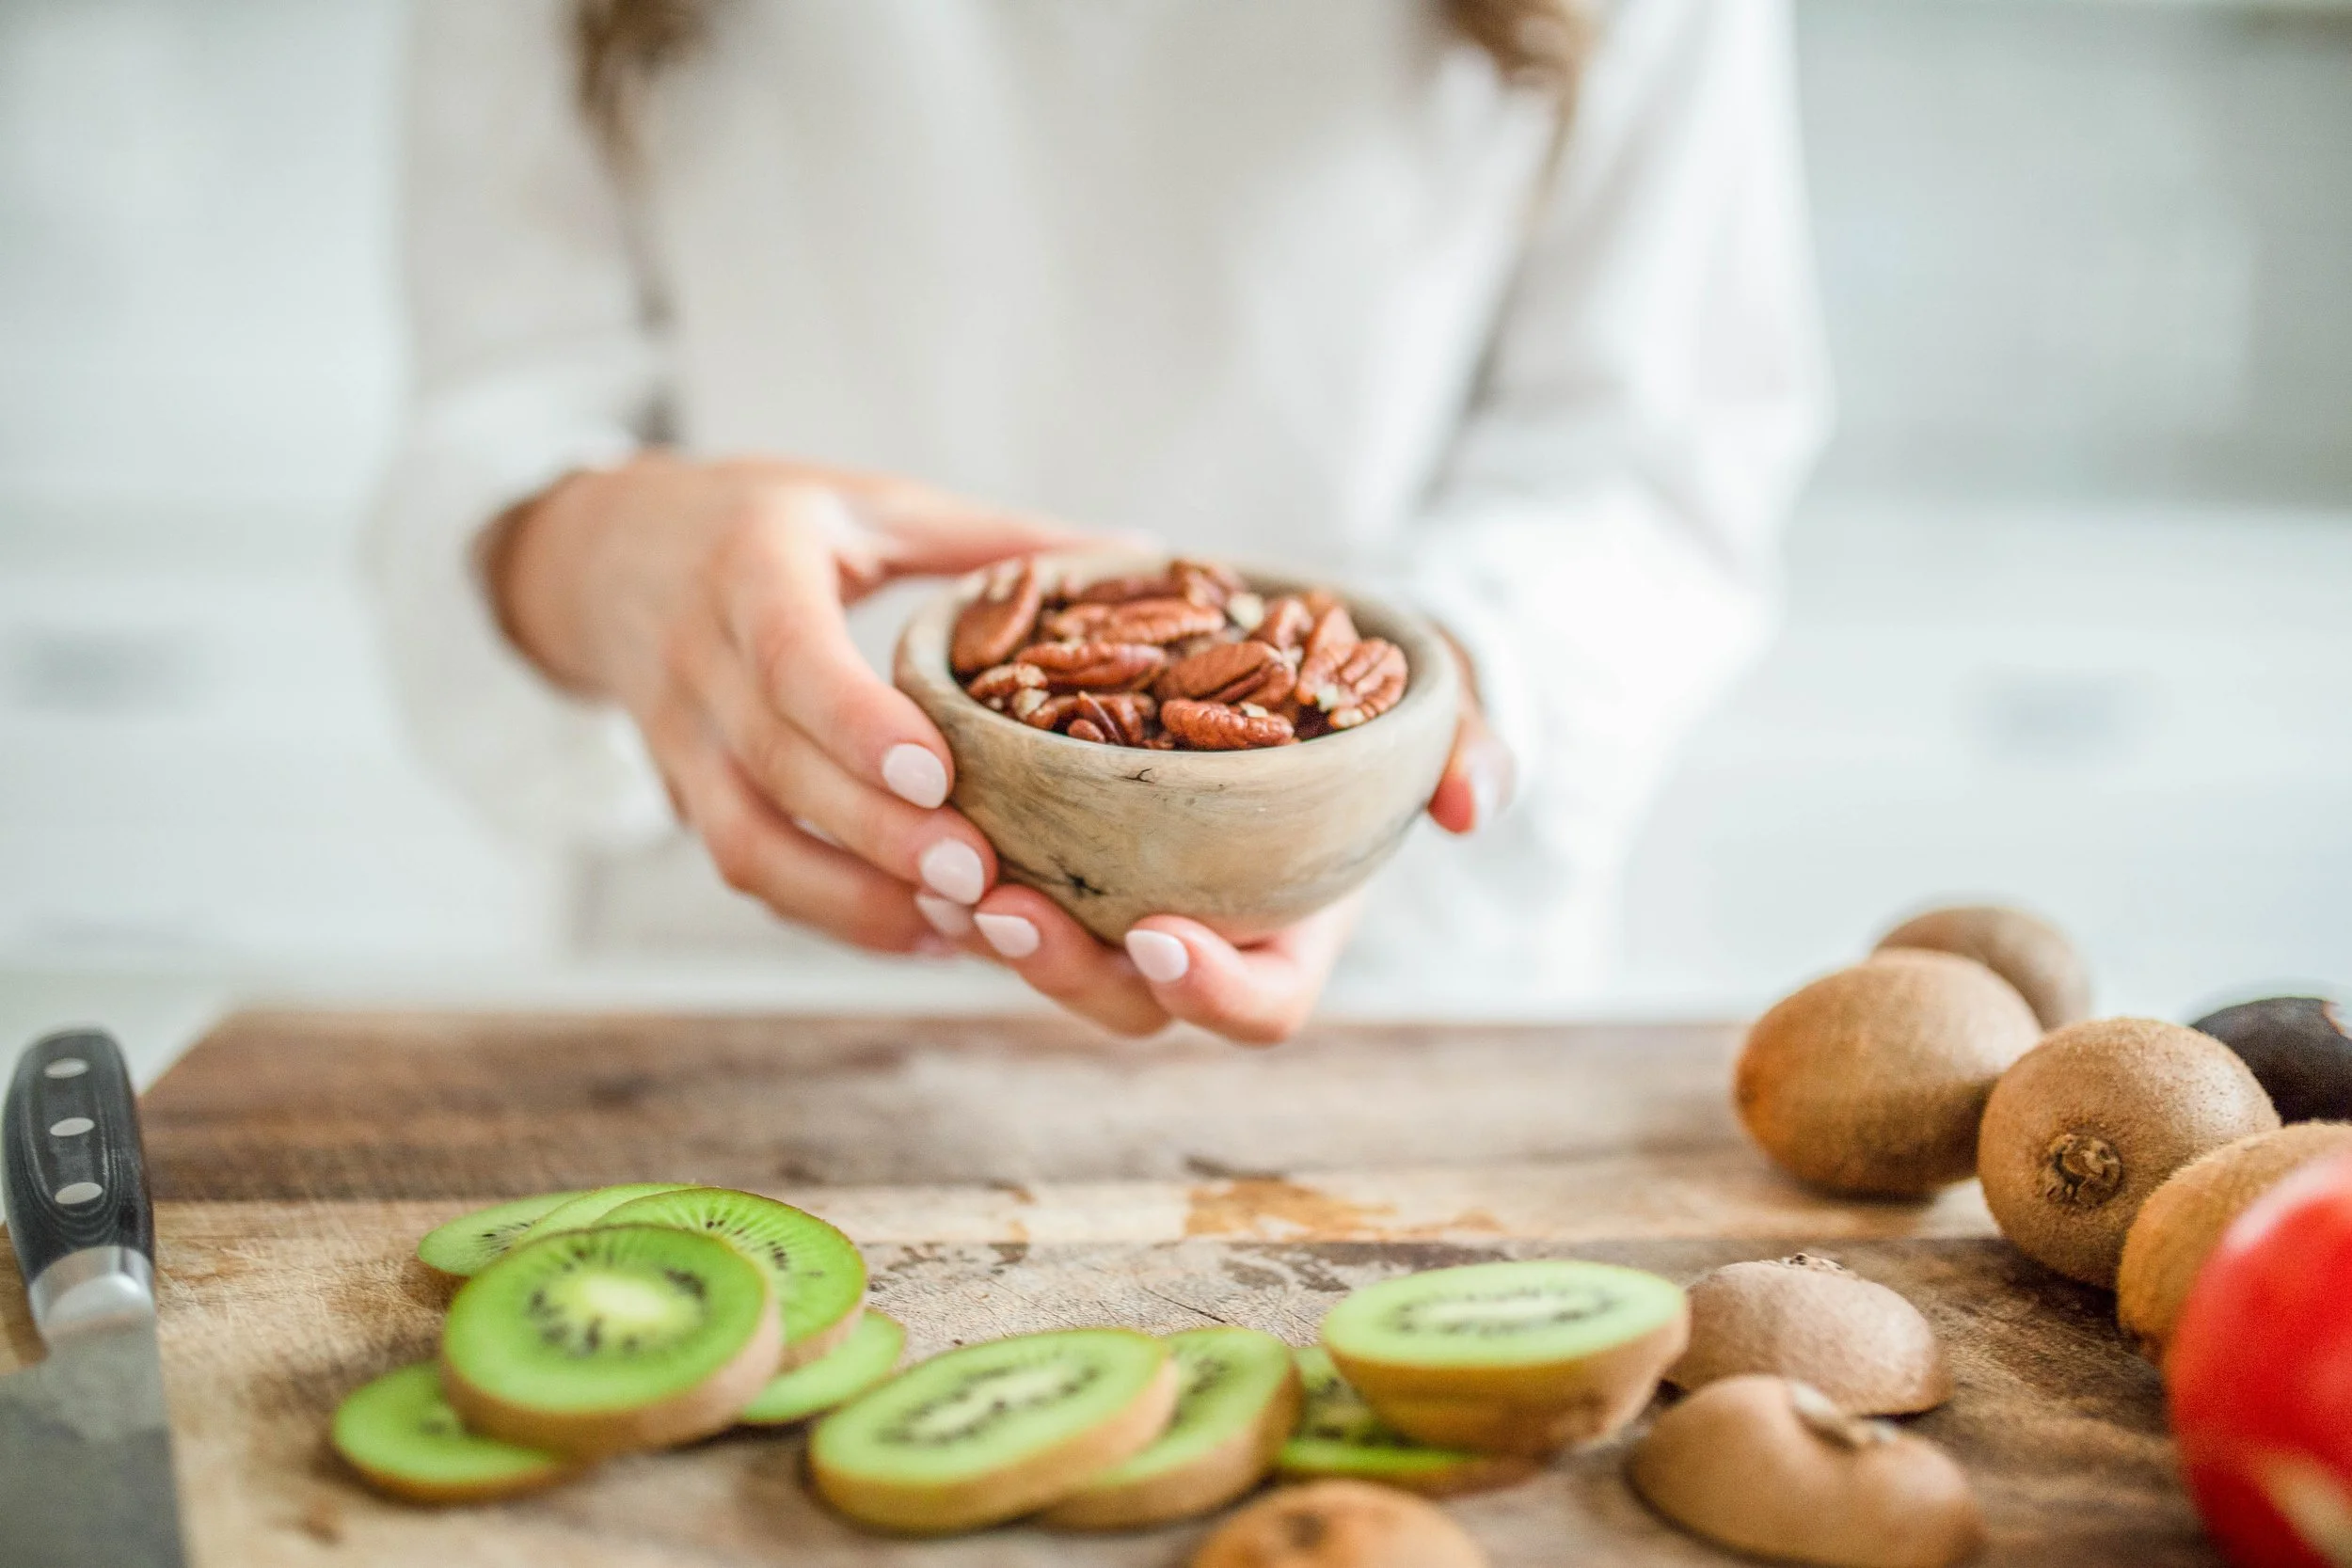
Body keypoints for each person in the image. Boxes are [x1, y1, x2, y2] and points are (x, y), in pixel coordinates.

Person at [371, 0, 1829, 1042]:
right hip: (738, 992)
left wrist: (1419, 725)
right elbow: (502, 401)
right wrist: (597, 554)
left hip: (1400, 991)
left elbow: (1657, 451)